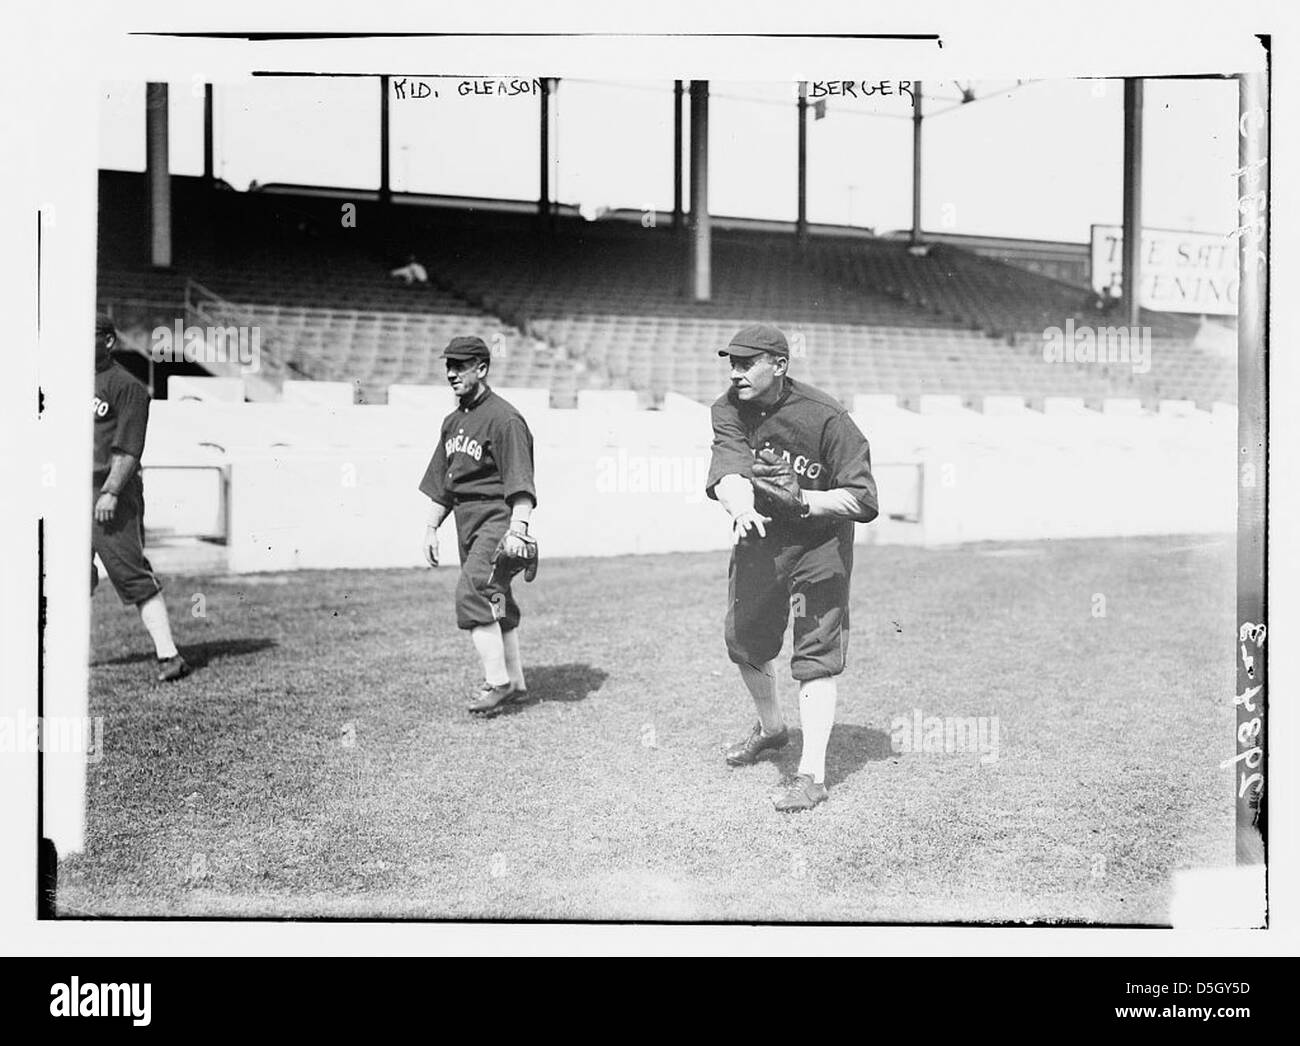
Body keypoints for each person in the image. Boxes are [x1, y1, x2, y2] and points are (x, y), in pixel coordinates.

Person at [706, 324, 878, 812]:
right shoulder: (728, 408)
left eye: (746, 363)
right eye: (731, 363)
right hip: (761, 534)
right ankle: (772, 729)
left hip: (819, 544)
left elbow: (863, 499)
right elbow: (730, 472)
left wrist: (805, 500)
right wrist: (741, 509)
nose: (735, 373)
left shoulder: (826, 416)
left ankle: (812, 777)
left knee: (814, 655)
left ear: (779, 365)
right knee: (743, 640)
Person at [418, 336, 537, 715]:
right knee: (498, 598)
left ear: (482, 369)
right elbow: (444, 485)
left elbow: (521, 482)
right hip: (466, 522)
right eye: (448, 365)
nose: (451, 373)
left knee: (473, 594)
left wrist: (517, 528)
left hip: (496, 519)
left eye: (460, 365)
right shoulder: (452, 422)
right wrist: (431, 528)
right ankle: (516, 681)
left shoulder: (505, 419)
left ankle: (497, 683)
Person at [91, 315, 190, 682]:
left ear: (108, 341)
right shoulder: (65, 382)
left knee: (130, 573)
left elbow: (129, 449)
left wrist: (111, 492)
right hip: (69, 491)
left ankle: (170, 656)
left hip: (108, 490)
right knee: (64, 577)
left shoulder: (127, 386)